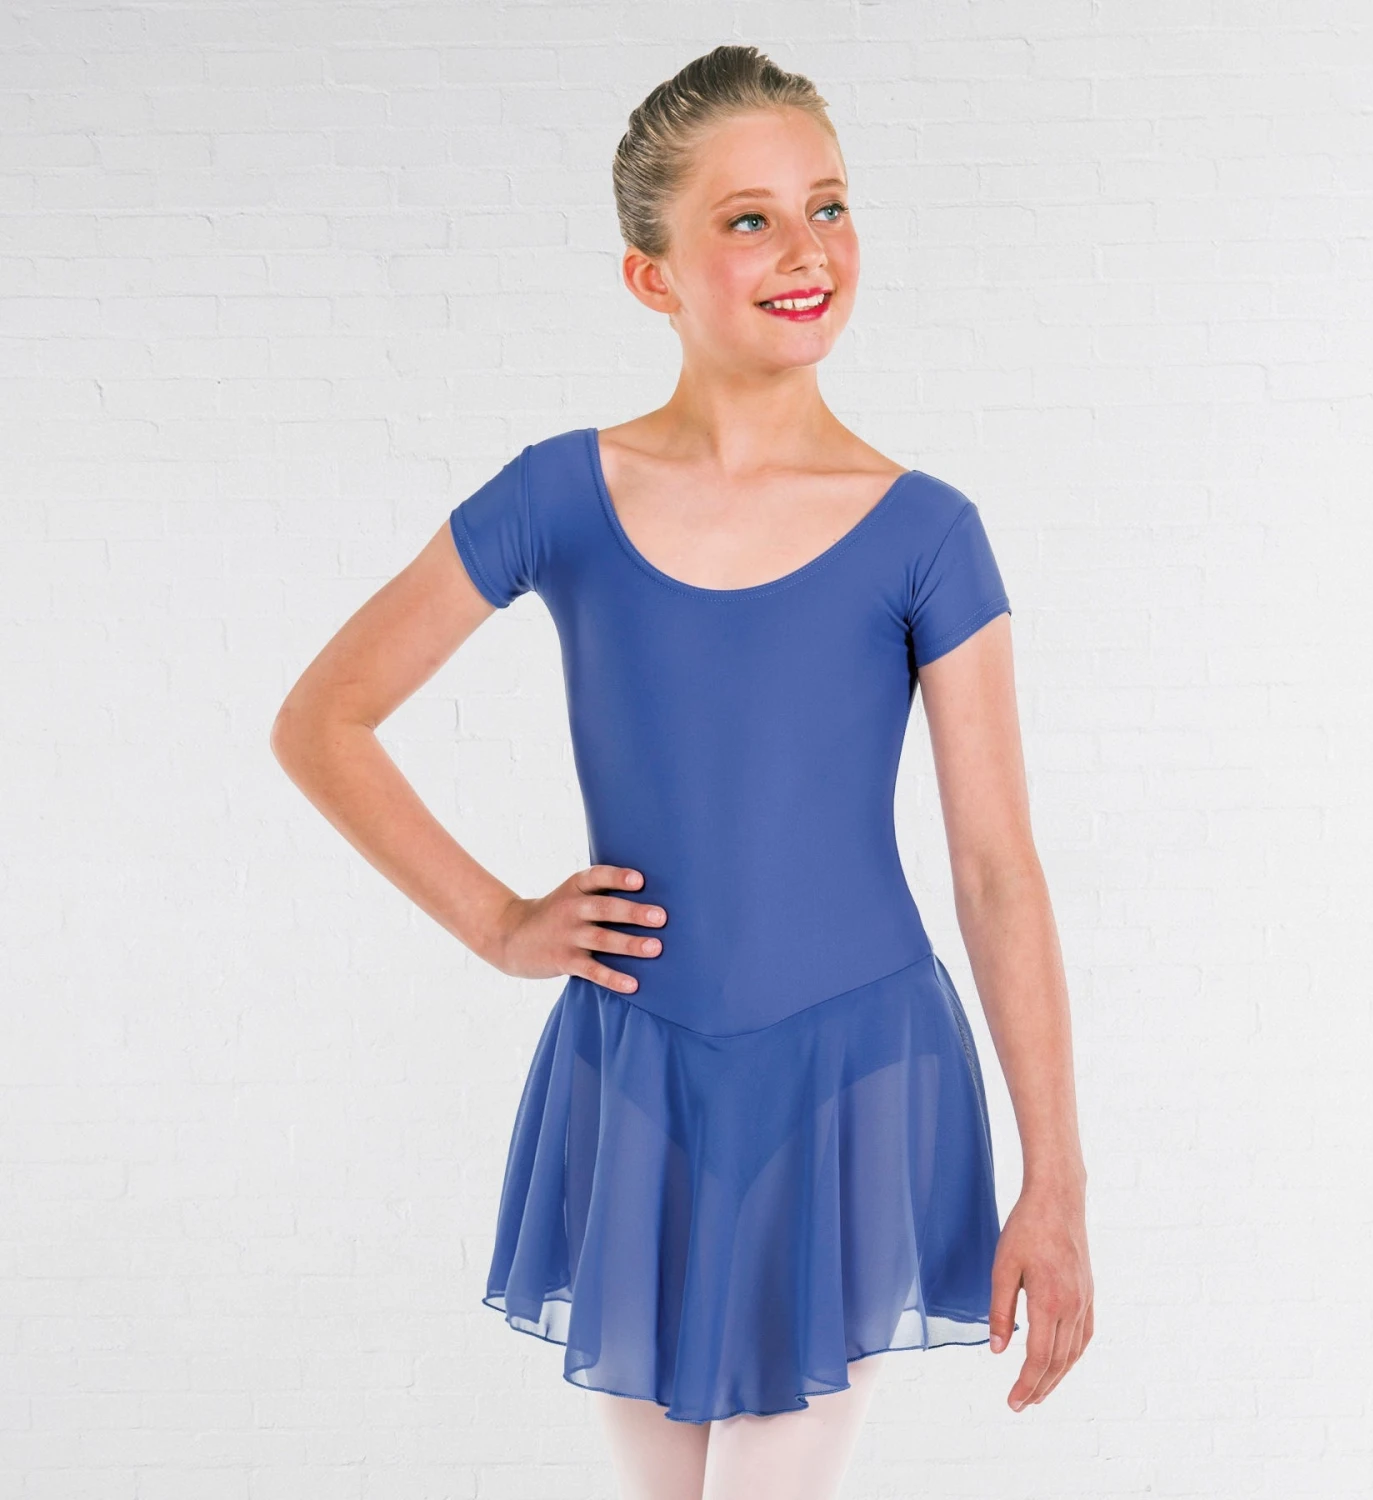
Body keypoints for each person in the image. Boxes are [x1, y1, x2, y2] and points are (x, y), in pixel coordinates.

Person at [271, 42, 1092, 1500]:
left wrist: (1058, 1179)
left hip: (851, 1070)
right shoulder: (559, 494)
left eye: (828, 206)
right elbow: (324, 718)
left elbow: (995, 868)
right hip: (635, 1074)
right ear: (651, 275)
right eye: (749, 218)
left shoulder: (926, 533)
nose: (806, 249)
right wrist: (498, 921)